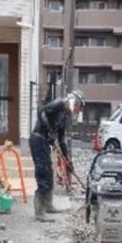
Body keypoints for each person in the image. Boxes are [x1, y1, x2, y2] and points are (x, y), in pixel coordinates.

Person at [29, 90, 86, 222]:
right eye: (79, 107)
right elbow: (42, 112)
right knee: (44, 174)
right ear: (75, 102)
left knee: (49, 173)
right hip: (38, 139)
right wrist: (49, 130)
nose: (77, 111)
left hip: (44, 142)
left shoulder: (65, 116)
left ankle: (48, 205)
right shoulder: (59, 104)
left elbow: (61, 139)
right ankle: (39, 211)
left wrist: (67, 159)